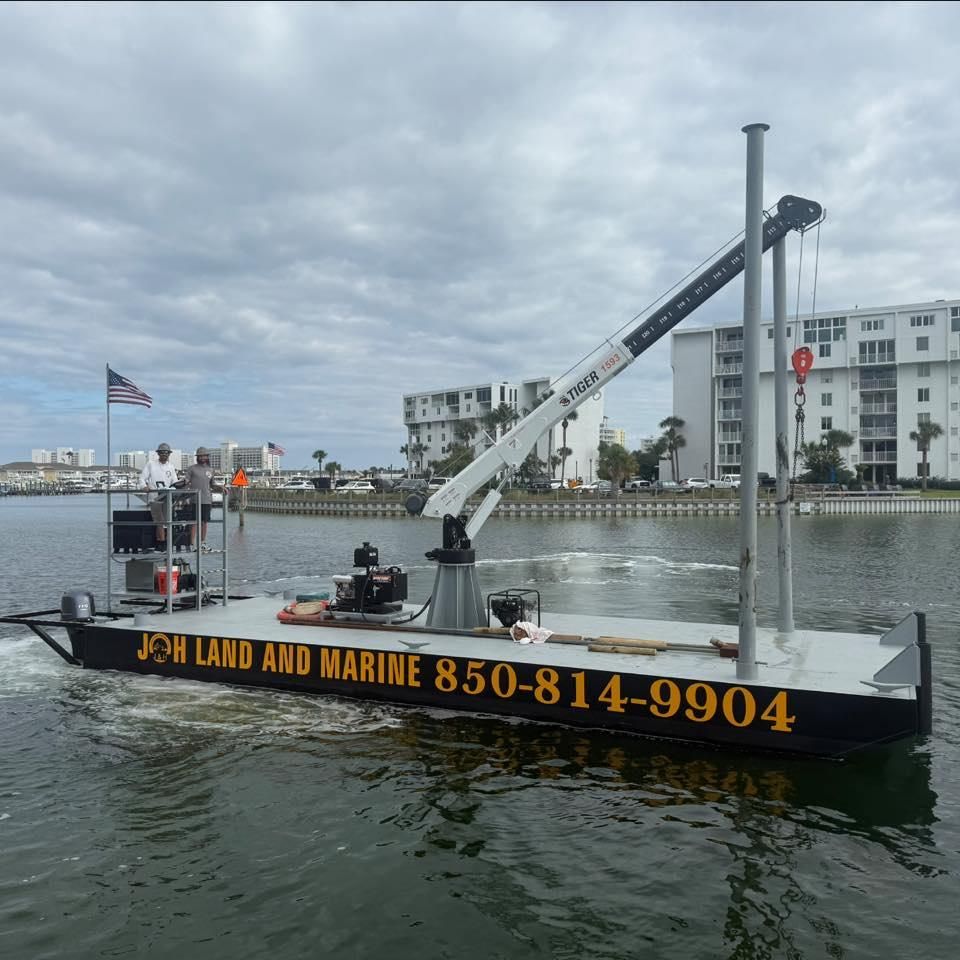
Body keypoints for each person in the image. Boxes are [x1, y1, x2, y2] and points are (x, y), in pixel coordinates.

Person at [179, 447, 225, 548]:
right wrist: (184, 497)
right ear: (197, 457)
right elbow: (186, 482)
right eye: (200, 456)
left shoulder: (211, 470)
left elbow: (212, 485)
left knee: (204, 522)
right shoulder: (192, 468)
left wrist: (221, 487)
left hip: (206, 500)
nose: (202, 457)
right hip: (194, 499)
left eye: (204, 456)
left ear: (207, 457)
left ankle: (203, 543)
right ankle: (191, 544)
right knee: (194, 522)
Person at [140, 442, 179, 547]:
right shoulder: (151, 464)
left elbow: (175, 481)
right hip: (155, 497)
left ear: (169, 454)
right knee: (159, 521)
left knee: (167, 521)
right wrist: (144, 486)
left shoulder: (171, 466)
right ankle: (160, 543)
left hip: (168, 497)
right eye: (162, 453)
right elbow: (142, 478)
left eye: (166, 453)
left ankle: (165, 543)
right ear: (158, 454)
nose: (164, 455)